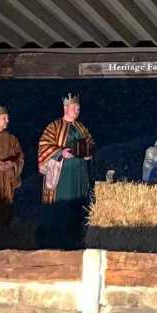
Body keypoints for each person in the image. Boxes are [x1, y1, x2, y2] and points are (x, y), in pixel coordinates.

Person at [37, 93, 95, 248]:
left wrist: (87, 152)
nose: (77, 110)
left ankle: (77, 242)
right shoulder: (54, 127)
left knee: (79, 209)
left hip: (80, 176)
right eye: (74, 107)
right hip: (62, 177)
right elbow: (44, 146)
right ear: (65, 107)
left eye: (78, 107)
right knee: (61, 212)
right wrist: (60, 152)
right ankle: (57, 244)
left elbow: (90, 144)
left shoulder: (81, 128)